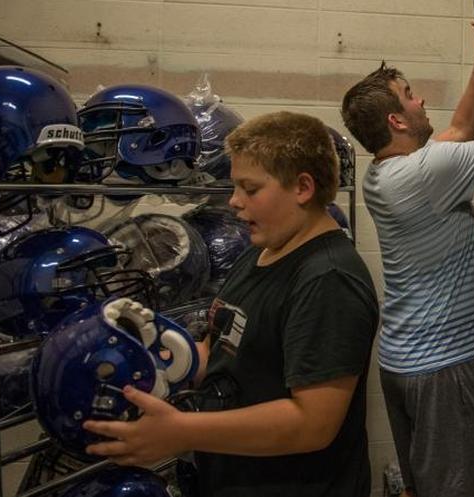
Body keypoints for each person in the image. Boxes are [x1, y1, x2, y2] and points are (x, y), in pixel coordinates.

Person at [83, 111, 379, 497]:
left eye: (250, 189)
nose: (235, 202)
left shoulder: (329, 279)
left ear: (303, 187)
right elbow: (220, 349)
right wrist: (156, 357)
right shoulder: (262, 253)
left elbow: (312, 424)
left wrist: (181, 432)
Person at [340, 3, 474, 497]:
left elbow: (459, 132)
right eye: (410, 96)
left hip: (404, 363)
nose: (420, 102)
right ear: (396, 119)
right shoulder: (424, 173)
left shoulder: (385, 172)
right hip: (444, 369)